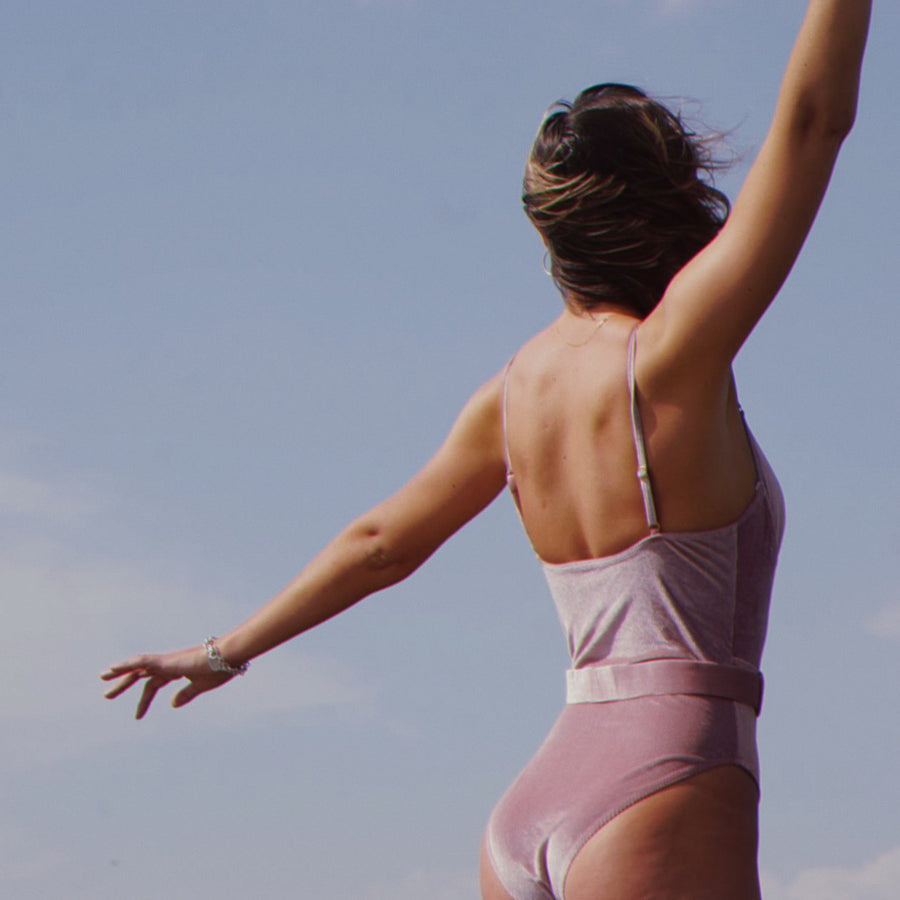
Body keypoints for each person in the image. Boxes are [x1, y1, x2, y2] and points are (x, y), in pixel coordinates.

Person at [102, 2, 871, 898]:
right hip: (669, 776)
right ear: (670, 202)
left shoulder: (508, 400)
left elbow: (379, 544)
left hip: (537, 804)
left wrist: (221, 652)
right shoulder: (672, 358)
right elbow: (814, 125)